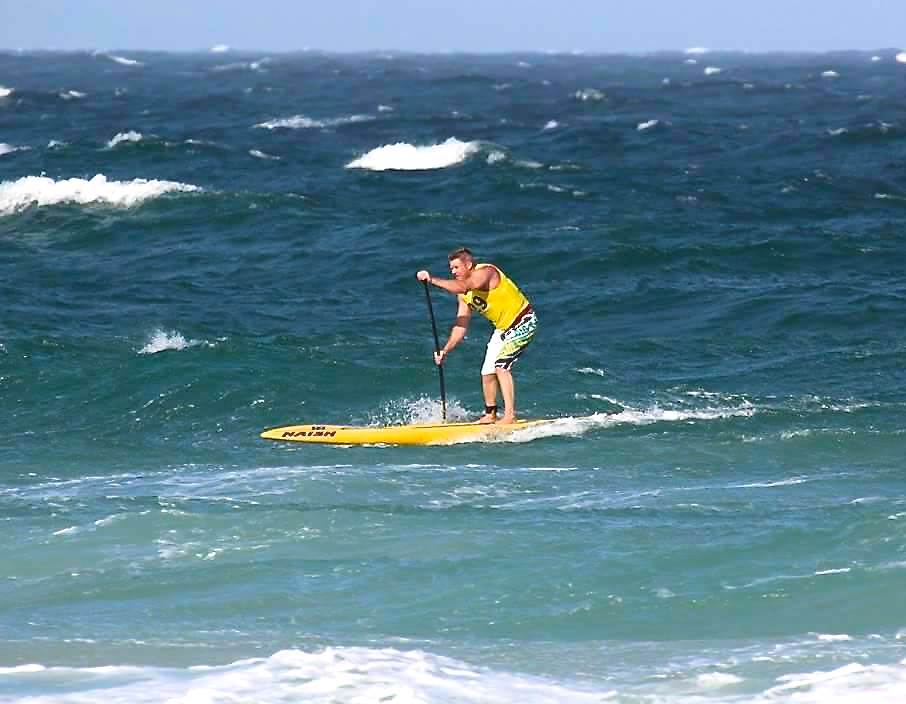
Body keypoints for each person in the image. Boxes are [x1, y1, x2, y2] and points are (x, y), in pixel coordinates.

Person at [416, 247, 537, 424]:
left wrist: (432, 279)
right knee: (487, 372)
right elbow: (461, 326)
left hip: (523, 320)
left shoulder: (486, 272)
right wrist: (445, 350)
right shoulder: (464, 296)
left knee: (501, 366)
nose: (453, 272)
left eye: (456, 267)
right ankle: (490, 414)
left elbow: (464, 286)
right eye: (451, 268)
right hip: (502, 329)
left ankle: (509, 416)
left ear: (468, 265)